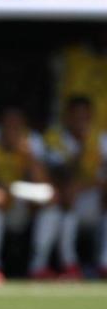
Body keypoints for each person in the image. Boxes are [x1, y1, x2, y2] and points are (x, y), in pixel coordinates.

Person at [0, 108, 57, 281]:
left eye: (17, 127)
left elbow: (47, 187)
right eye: (9, 126)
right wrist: (4, 191)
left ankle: (38, 267)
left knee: (52, 207)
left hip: (25, 204)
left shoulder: (32, 141)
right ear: (1, 126)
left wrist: (29, 158)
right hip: (3, 202)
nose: (13, 130)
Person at [44, 95, 107, 280]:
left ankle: (104, 265)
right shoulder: (56, 139)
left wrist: (88, 185)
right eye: (76, 117)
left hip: (95, 203)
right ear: (67, 118)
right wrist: (81, 146)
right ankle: (69, 265)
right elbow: (64, 178)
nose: (81, 122)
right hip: (69, 204)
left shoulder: (102, 139)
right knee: (68, 201)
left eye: (85, 117)